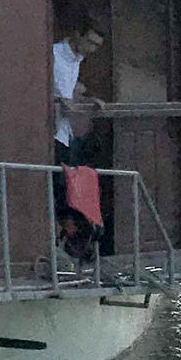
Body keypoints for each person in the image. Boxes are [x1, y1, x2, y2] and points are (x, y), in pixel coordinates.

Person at [50, 21, 106, 263]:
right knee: (59, 189)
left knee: (70, 188)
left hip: (66, 132)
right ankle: (60, 242)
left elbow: (68, 91)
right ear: (77, 34)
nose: (92, 49)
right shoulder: (53, 54)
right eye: (90, 42)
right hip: (50, 132)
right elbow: (48, 89)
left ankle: (73, 243)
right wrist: (62, 101)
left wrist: (88, 99)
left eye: (97, 45)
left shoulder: (76, 60)